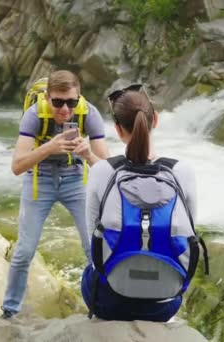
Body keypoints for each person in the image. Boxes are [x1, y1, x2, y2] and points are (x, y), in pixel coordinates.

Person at [80, 84, 203, 322]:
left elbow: (93, 245)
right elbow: (190, 232)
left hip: (109, 302)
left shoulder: (101, 171)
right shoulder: (183, 172)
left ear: (117, 129)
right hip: (165, 304)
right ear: (155, 119)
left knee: (89, 272)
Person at [1, 70, 110, 318]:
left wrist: (88, 154)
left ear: (78, 98)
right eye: (58, 102)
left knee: (93, 248)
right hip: (39, 179)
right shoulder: (33, 115)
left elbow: (107, 170)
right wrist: (49, 147)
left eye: (71, 102)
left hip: (75, 179)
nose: (64, 109)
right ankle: (9, 310)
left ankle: (101, 307)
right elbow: (17, 167)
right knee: (24, 251)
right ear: (48, 98)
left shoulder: (89, 114)